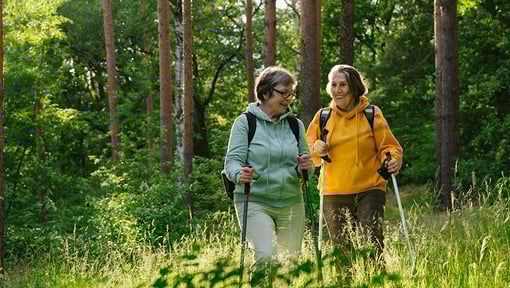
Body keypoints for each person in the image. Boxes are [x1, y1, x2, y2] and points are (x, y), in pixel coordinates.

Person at [306, 64, 403, 274]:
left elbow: (389, 146)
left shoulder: (371, 113)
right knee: (341, 250)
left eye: (343, 85)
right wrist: (316, 147)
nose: (337, 90)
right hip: (334, 190)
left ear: (354, 88)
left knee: (372, 242)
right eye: (334, 85)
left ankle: (375, 281)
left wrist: (393, 159)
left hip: (369, 188)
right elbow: (306, 147)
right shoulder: (322, 116)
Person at [223, 66, 313, 283]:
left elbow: (305, 162)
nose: (289, 99)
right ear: (265, 93)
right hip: (255, 200)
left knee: (291, 262)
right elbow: (232, 162)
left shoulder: (295, 125)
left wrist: (305, 165)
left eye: (291, 93)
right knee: (265, 257)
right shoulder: (245, 122)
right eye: (284, 93)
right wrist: (239, 174)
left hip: (291, 201)